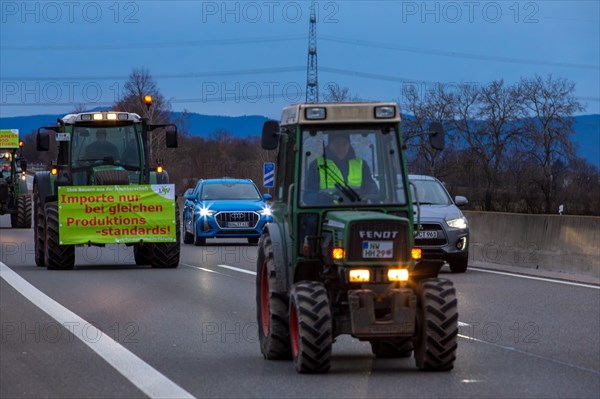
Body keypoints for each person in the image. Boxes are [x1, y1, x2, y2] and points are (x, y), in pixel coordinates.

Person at [304, 132, 379, 204]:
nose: (340, 147)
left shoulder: (362, 165)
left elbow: (371, 188)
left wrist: (368, 194)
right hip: (327, 211)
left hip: (358, 210)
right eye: (336, 143)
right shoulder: (316, 165)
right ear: (329, 145)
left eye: (344, 143)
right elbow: (308, 196)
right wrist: (323, 198)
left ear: (349, 145)